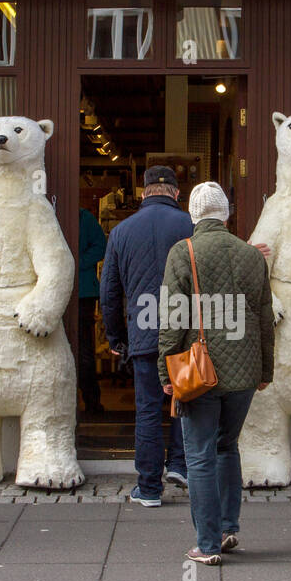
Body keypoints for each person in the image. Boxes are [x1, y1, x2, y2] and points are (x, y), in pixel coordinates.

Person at [158, 182, 273, 565]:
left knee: (200, 455)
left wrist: (165, 369)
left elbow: (173, 317)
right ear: (227, 213)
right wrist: (265, 370)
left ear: (192, 214)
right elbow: (264, 319)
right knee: (227, 446)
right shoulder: (251, 255)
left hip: (198, 371)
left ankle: (206, 545)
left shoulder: (183, 252)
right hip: (244, 372)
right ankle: (227, 529)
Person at [100, 166, 191, 506]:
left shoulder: (122, 231)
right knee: (187, 401)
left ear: (143, 193)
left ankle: (150, 488)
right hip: (183, 331)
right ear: (176, 194)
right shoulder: (190, 225)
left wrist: (115, 337)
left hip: (143, 331)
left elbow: (109, 290)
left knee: (149, 409)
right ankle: (181, 465)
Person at [77, 206, 108, 414]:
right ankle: (90, 402)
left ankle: (91, 402)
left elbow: (100, 246)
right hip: (82, 288)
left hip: (83, 290)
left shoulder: (84, 217)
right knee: (84, 349)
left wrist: (77, 263)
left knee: (84, 350)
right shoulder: (83, 217)